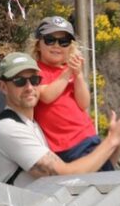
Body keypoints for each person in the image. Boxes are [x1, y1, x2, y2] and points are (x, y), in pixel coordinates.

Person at [0, 52, 120, 186]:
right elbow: (66, 176)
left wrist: (118, 144)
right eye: (19, 81)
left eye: (34, 80)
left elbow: (92, 171)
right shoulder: (9, 129)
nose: (29, 87)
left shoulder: (33, 127)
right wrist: (112, 140)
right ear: (3, 87)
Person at [31, 16, 102, 163]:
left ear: (70, 47)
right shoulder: (35, 70)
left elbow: (84, 103)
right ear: (38, 44)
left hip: (87, 137)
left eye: (64, 42)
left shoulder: (68, 71)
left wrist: (78, 75)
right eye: (50, 40)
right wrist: (68, 72)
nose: (56, 46)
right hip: (63, 145)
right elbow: (46, 96)